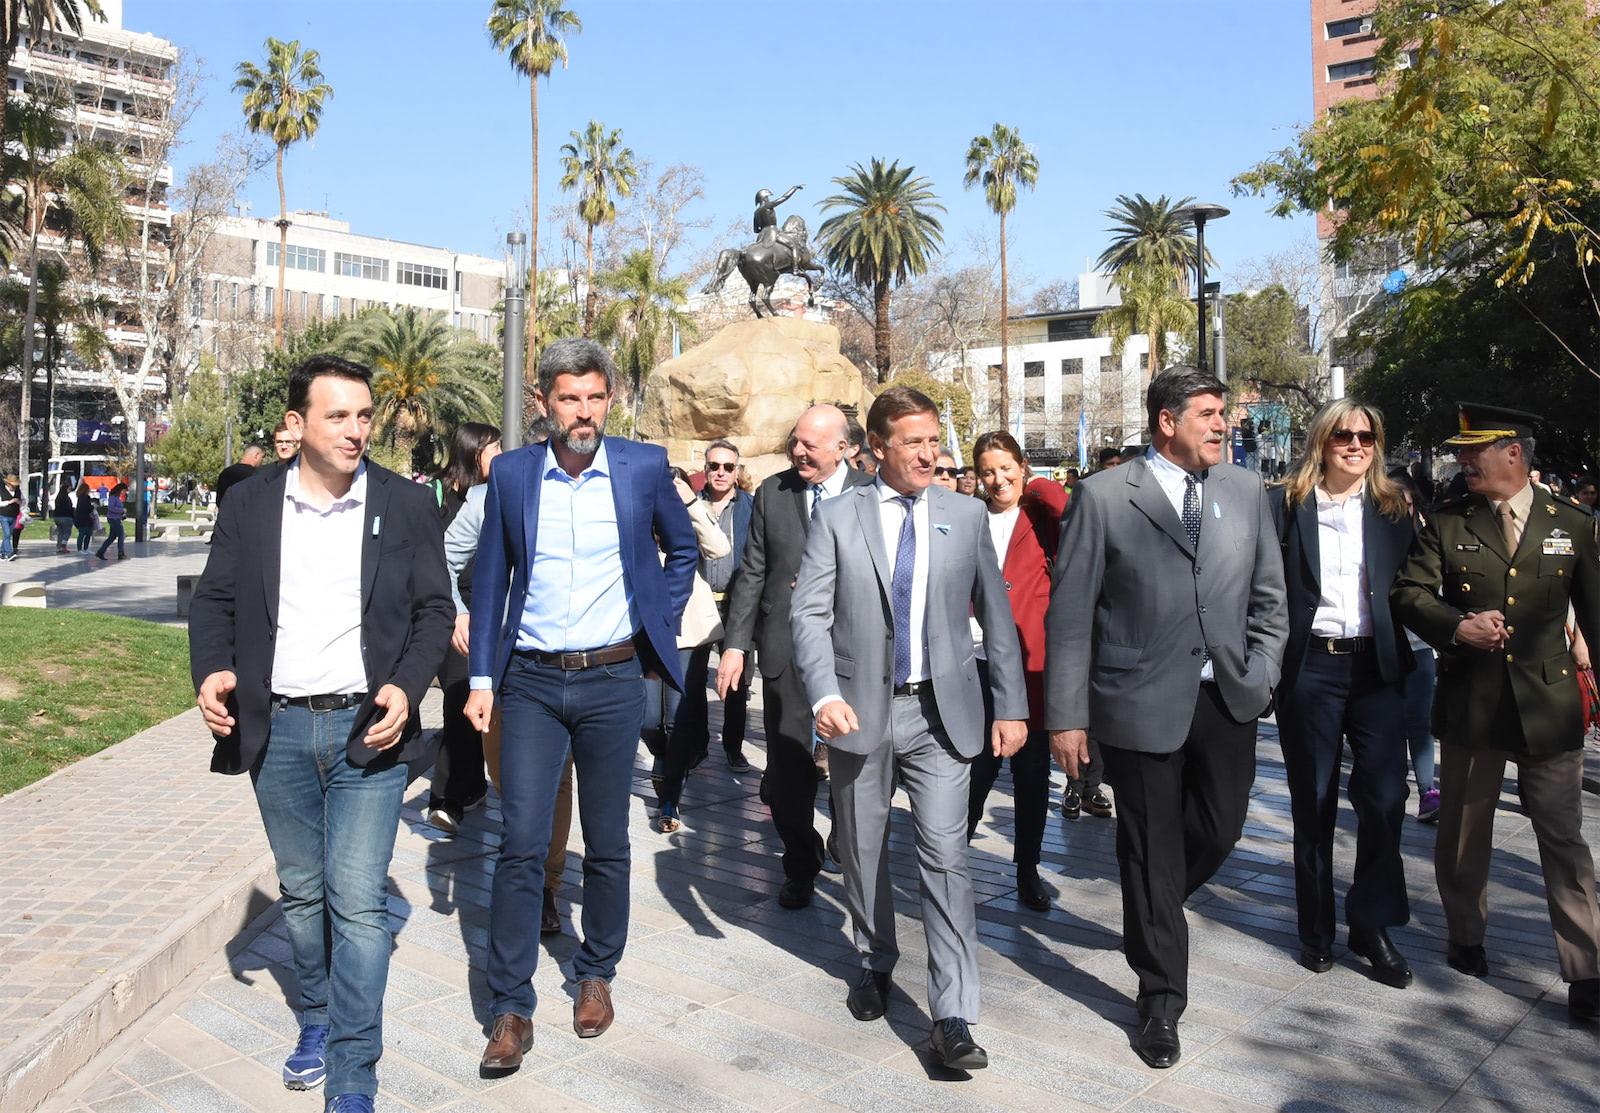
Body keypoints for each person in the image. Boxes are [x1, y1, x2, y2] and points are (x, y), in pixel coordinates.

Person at [188, 354, 454, 1113]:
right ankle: (316, 1017)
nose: (355, 430)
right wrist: (212, 671)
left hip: (368, 728)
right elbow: (214, 599)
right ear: (296, 424)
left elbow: (435, 609)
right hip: (276, 729)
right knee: (303, 893)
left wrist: (406, 685)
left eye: (363, 415)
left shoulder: (406, 503)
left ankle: (353, 1071)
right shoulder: (250, 503)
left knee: (359, 901)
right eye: (337, 415)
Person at [1045, 365, 1288, 1070]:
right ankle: (1159, 999)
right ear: (1167, 421)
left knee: (1220, 826)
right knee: (1151, 845)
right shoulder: (1103, 496)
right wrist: (1066, 716)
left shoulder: (1246, 490)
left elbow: (1270, 597)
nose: (1222, 424)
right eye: (1208, 413)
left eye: (1223, 413)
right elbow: (1071, 616)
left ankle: (1150, 905)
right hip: (1136, 700)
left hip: (1226, 696)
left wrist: (1264, 670)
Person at [465, 338, 696, 1068]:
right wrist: (480, 678)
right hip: (530, 682)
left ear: (609, 399)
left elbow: (683, 549)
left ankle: (596, 971)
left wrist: (657, 616)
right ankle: (510, 1006)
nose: (585, 411)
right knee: (520, 841)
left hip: (612, 679)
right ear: (544, 403)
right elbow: (490, 578)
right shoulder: (512, 474)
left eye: (596, 397)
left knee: (608, 839)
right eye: (570, 398)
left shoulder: (642, 466)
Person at [790, 386, 1027, 1071]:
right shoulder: (839, 515)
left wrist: (1011, 705)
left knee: (947, 856)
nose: (929, 453)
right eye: (913, 441)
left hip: (942, 714)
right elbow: (809, 614)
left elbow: (998, 617)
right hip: (859, 710)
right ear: (877, 448)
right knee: (862, 846)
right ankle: (875, 957)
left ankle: (953, 1014)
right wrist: (823, 693)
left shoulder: (965, 513)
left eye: (934, 440)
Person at [1392, 402, 1599, 1025]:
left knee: (1563, 840)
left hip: (1548, 705)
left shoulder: (1571, 523)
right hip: (1472, 702)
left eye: (1472, 450)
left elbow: (1595, 614)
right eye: (1460, 451)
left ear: (1512, 452)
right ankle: (1466, 934)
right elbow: (1409, 592)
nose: (1462, 460)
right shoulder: (1447, 521)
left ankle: (1587, 970)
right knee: (1462, 831)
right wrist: (1458, 626)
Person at [1270, 401, 1418, 987]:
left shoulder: (1394, 509)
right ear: (1321, 441)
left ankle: (1371, 924)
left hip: (1376, 669)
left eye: (1366, 436)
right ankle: (1316, 928)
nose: (1355, 445)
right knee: (1314, 800)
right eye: (1343, 435)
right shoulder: (1284, 504)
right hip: (1310, 667)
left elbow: (1413, 587)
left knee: (1385, 797)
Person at [718, 404, 874, 909]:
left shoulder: (871, 493)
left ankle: (844, 841)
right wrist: (735, 645)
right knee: (787, 777)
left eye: (811, 444)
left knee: (854, 766)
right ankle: (801, 861)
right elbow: (752, 572)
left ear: (844, 448)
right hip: (785, 651)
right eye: (795, 442)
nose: (798, 451)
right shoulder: (773, 492)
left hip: (852, 654)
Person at [443, 417, 575, 936]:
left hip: (565, 663)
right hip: (502, 663)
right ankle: (524, 865)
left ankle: (547, 885)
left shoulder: (590, 498)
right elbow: (443, 557)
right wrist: (459, 614)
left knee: (557, 779)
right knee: (511, 782)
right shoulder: (488, 497)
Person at [963, 431, 1070, 910]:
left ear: (1022, 466)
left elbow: (1067, 508)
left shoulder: (1040, 516)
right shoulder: (969, 517)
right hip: (979, 663)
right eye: (987, 471)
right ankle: (952, 859)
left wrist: (1037, 485)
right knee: (977, 770)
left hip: (1032, 664)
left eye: (1006, 467)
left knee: (1031, 777)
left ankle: (1027, 868)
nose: (997, 479)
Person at [426, 422, 501, 834]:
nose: (502, 455)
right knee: (459, 698)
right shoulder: (437, 495)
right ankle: (446, 800)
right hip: (451, 611)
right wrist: (455, 612)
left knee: (475, 701)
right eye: (496, 448)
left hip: (488, 611)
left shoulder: (499, 493)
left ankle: (471, 786)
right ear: (476, 452)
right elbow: (436, 556)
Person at [652, 467, 734, 832]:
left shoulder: (691, 514)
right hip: (644, 630)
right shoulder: (640, 513)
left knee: (676, 720)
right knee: (647, 721)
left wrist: (690, 503)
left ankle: (670, 798)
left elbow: (719, 549)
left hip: (687, 634)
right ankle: (667, 756)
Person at [677, 440, 755, 773]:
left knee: (736, 682)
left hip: (737, 607)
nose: (721, 472)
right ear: (705, 469)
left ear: (737, 471)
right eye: (714, 466)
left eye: (728, 467)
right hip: (699, 605)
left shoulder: (752, 506)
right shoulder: (689, 503)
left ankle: (733, 748)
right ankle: (699, 746)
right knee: (693, 681)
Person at [1390, 470, 1441, 822]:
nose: (1401, 511)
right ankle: (1393, 790)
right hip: (1383, 647)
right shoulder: (1371, 539)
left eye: (1406, 504)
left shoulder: (1426, 540)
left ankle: (1428, 792)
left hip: (1419, 646)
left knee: (1420, 723)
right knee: (1389, 724)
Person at [95, 482, 129, 560]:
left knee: (112, 537)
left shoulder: (117, 497)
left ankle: (101, 552)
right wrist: (121, 510)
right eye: (124, 491)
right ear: (120, 489)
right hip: (114, 519)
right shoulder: (113, 497)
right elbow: (111, 508)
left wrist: (122, 513)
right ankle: (121, 553)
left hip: (116, 518)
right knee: (121, 535)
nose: (124, 493)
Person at [0, 473, 19, 561]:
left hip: (14, 515)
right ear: (7, 484)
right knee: (7, 533)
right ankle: (9, 553)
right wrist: (9, 502)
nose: (14, 487)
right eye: (12, 485)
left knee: (8, 535)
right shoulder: (1, 490)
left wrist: (20, 502)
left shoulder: (18, 491)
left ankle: (1, 551)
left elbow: (23, 500)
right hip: (3, 515)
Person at [73, 481, 96, 553]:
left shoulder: (80, 498)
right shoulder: (85, 498)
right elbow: (86, 508)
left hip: (83, 519)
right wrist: (93, 507)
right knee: (84, 534)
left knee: (86, 533)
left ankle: (84, 548)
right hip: (84, 519)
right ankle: (81, 548)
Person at [52, 479, 74, 553]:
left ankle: (59, 546)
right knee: (67, 532)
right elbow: (69, 508)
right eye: (69, 489)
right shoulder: (66, 498)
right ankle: (63, 546)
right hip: (66, 517)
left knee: (60, 532)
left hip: (57, 517)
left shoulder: (58, 498)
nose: (70, 490)